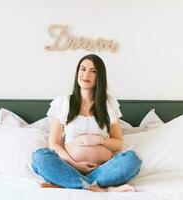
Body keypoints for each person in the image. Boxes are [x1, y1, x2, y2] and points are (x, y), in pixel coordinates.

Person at [32, 54, 142, 192]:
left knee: (132, 160)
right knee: (39, 157)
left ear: (99, 77)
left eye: (93, 71)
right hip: (69, 166)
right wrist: (75, 164)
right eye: (83, 69)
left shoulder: (108, 104)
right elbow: (54, 143)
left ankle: (70, 183)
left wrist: (99, 140)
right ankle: (98, 187)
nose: (86, 74)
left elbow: (118, 143)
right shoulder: (64, 102)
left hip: (102, 169)